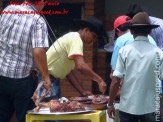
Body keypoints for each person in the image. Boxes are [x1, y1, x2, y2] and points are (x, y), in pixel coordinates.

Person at [0, 0, 51, 122]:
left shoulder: (8, 9)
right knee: (27, 118)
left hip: (1, 74)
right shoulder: (38, 21)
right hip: (22, 80)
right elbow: (38, 52)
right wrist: (46, 77)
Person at [107, 12, 163, 122]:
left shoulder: (124, 51)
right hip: (151, 108)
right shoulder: (158, 53)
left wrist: (110, 105)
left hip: (128, 108)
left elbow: (116, 80)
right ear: (150, 31)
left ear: (131, 31)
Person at [42, 16, 107, 100]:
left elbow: (68, 71)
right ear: (86, 30)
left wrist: (82, 91)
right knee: (50, 110)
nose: (94, 41)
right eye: (94, 36)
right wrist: (99, 80)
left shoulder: (73, 38)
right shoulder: (76, 39)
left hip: (50, 80)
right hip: (47, 79)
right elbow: (80, 66)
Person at [110, 15, 157, 99]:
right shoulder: (154, 44)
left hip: (131, 96)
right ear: (149, 31)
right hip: (154, 94)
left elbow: (115, 76)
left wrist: (110, 103)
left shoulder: (121, 43)